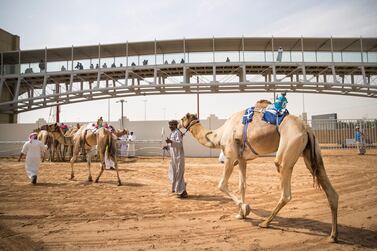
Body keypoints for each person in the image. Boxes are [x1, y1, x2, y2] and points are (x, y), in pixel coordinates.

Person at [165, 120, 187, 198]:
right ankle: (181, 188)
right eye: (169, 125)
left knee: (179, 174)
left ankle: (183, 192)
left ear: (175, 125)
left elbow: (179, 144)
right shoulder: (172, 133)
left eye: (171, 125)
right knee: (173, 173)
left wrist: (171, 141)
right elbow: (172, 145)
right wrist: (167, 146)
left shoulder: (178, 132)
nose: (170, 126)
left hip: (179, 157)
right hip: (173, 157)